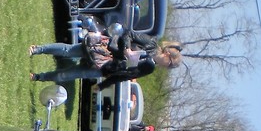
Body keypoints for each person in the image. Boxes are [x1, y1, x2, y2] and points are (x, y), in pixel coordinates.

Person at [29, 34, 181, 87]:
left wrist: (104, 85)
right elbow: (128, 34)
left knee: (68, 75)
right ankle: (37, 49)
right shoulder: (150, 43)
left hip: (106, 67)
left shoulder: (149, 67)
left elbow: (126, 75)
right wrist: (127, 49)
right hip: (103, 48)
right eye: (170, 64)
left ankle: (38, 77)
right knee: (68, 51)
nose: (166, 67)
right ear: (167, 54)